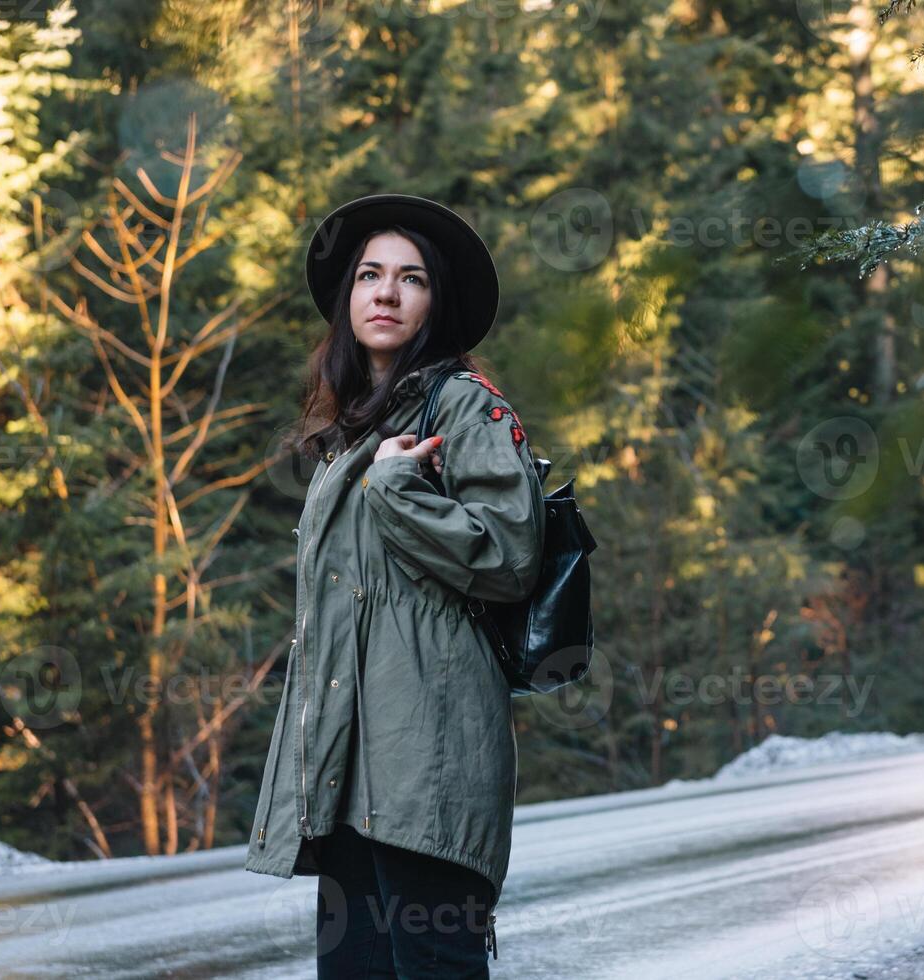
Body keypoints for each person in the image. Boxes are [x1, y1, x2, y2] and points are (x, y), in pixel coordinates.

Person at [244, 194, 546, 979]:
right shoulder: (349, 433)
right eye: (370, 275)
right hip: (346, 768)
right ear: (348, 299)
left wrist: (398, 493)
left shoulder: (467, 408)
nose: (386, 293)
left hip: (429, 766)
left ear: (434, 302)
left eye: (410, 279)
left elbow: (511, 557)